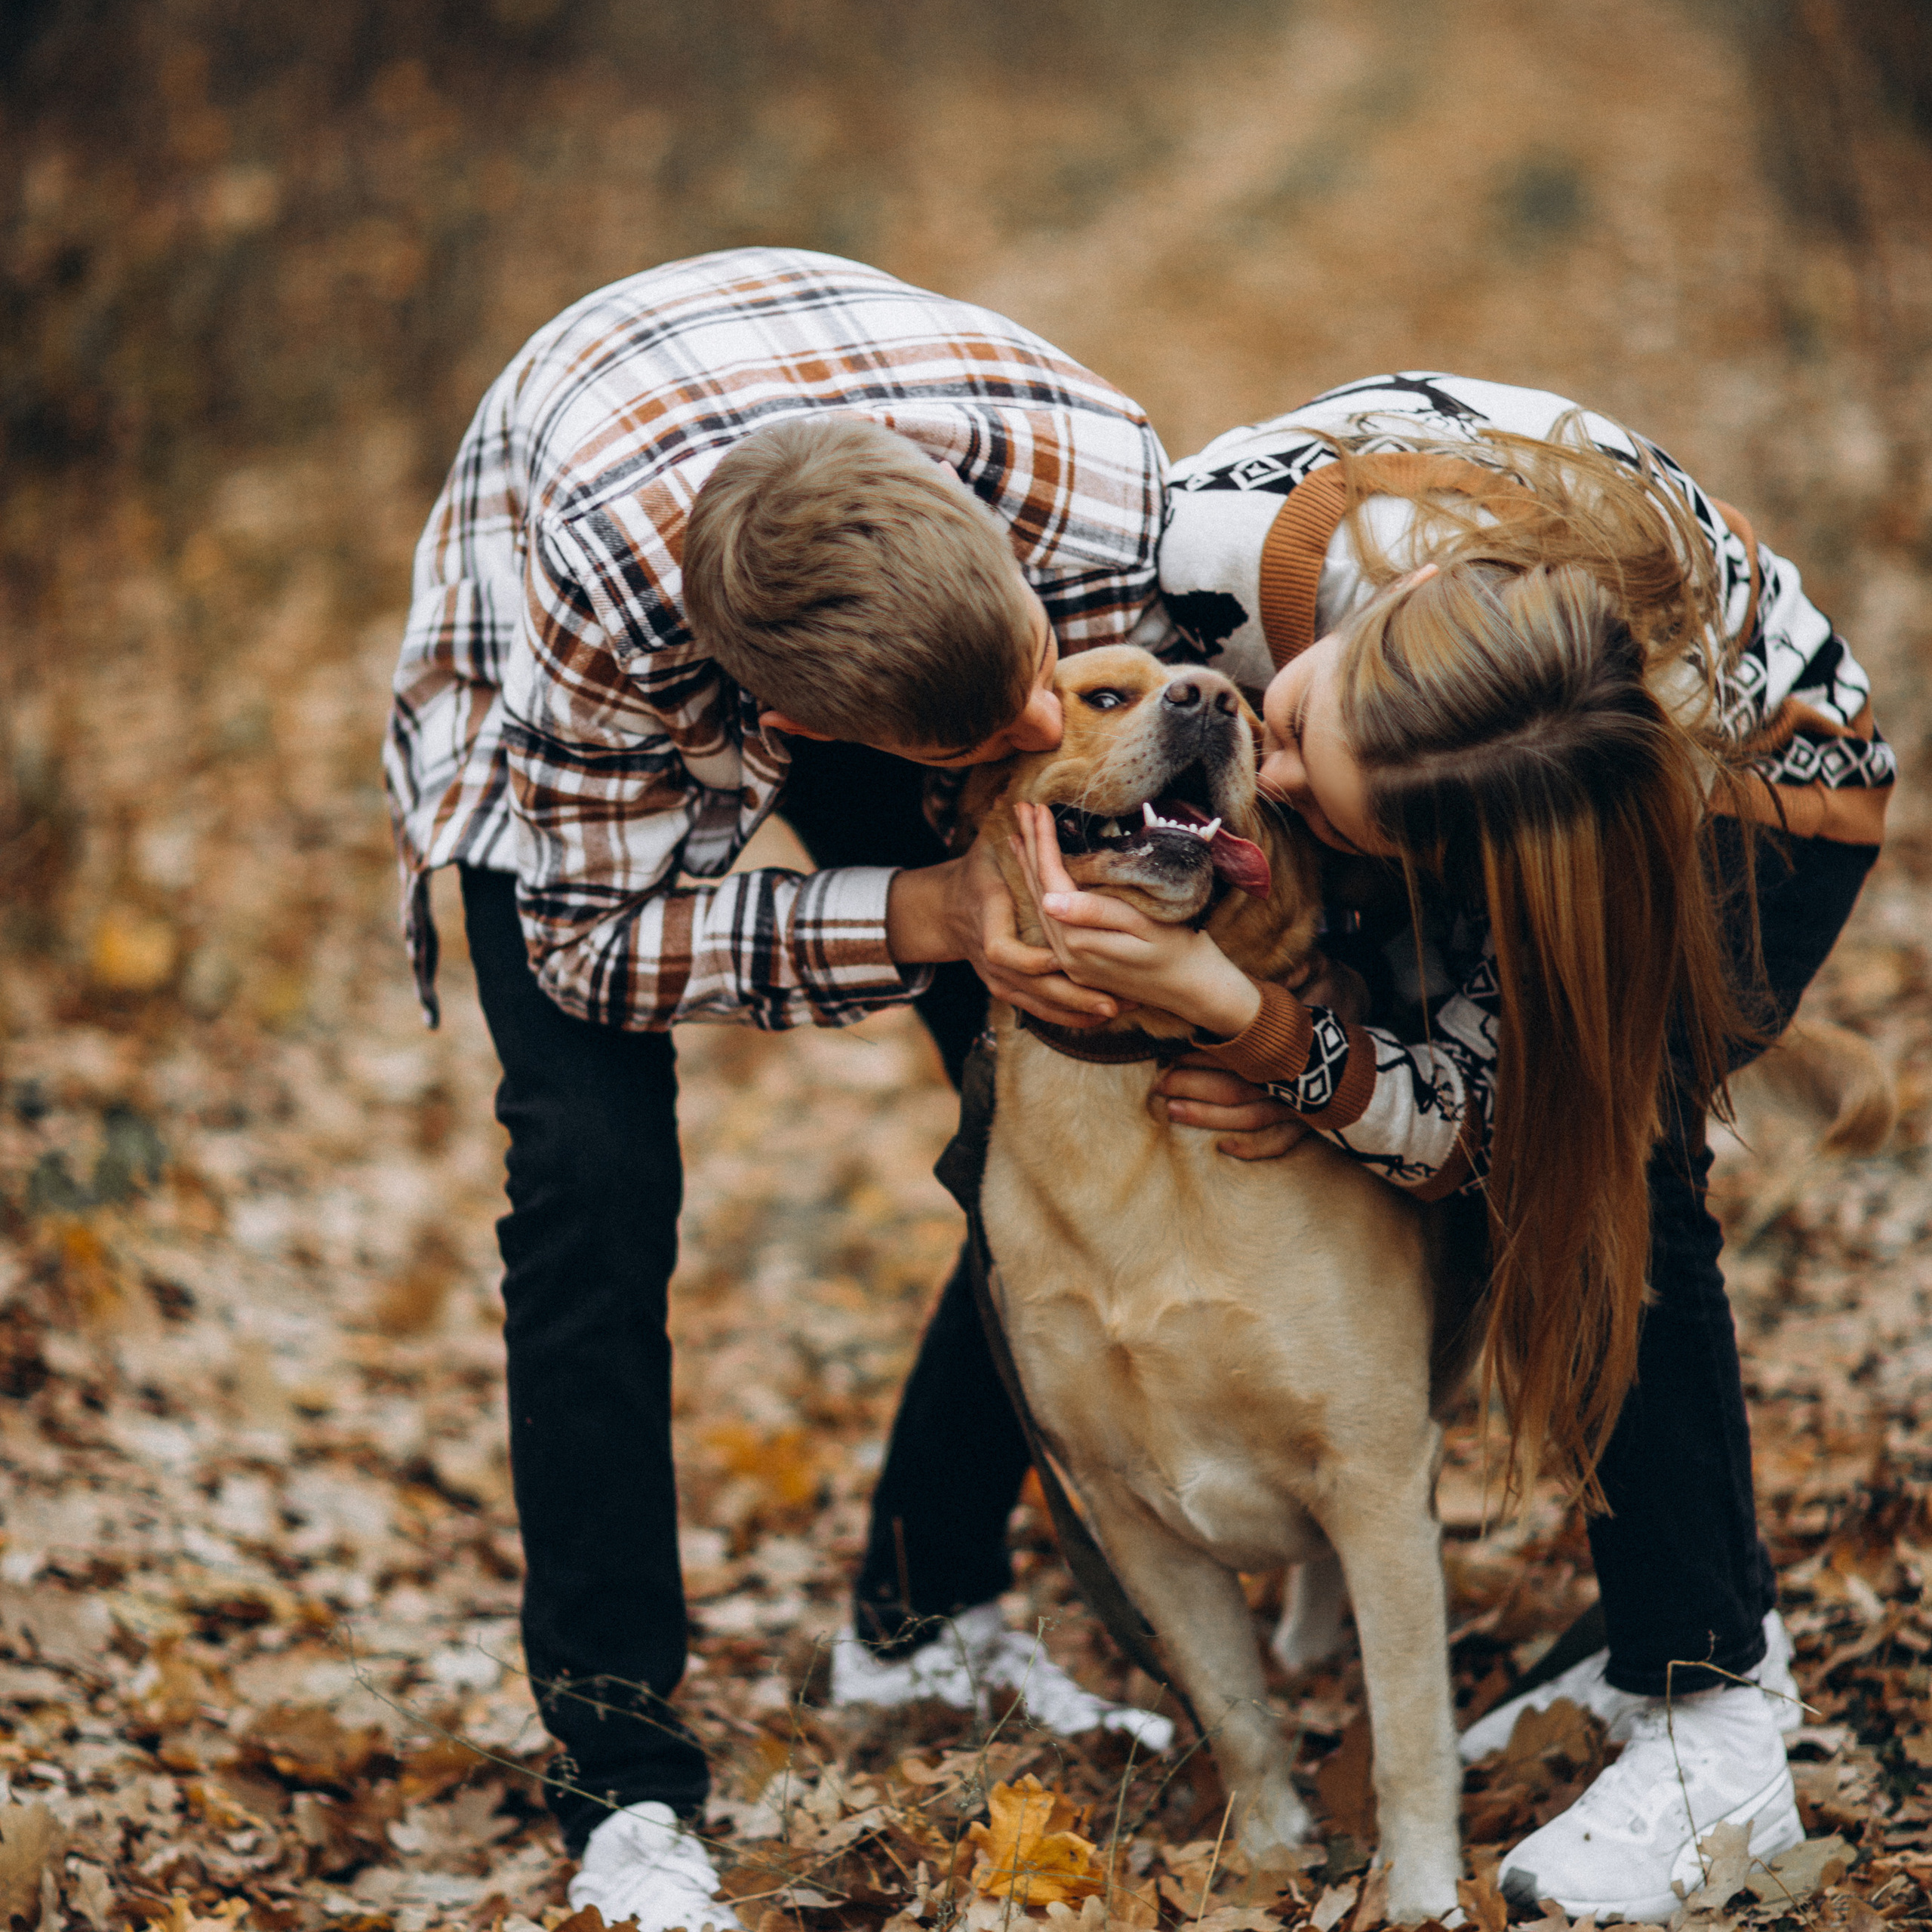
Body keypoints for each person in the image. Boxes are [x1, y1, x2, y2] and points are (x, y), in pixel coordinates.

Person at [1005, 373, 1892, 1923]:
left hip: (1758, 790)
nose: (1261, 789)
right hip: (1458, 693)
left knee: (1609, 1150)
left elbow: (1474, 1114)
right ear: (1387, 610)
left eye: (1324, 820)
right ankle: (922, 1593)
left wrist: (1280, 1039)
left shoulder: (1583, 815)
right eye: (1284, 732)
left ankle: (1709, 1694)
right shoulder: (1188, 565)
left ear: (1460, 867)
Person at [382, 245, 1180, 1932]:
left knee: (1057, 1095)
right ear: (786, 728)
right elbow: (594, 951)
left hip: (923, 510)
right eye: (982, 736)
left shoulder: (1092, 470)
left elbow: (1089, 726)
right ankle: (619, 1777)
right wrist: (929, 907)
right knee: (588, 1180)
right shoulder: (601, 623)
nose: (1046, 714)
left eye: (1042, 666)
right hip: (565, 555)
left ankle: (920, 1613)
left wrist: (1052, 905)